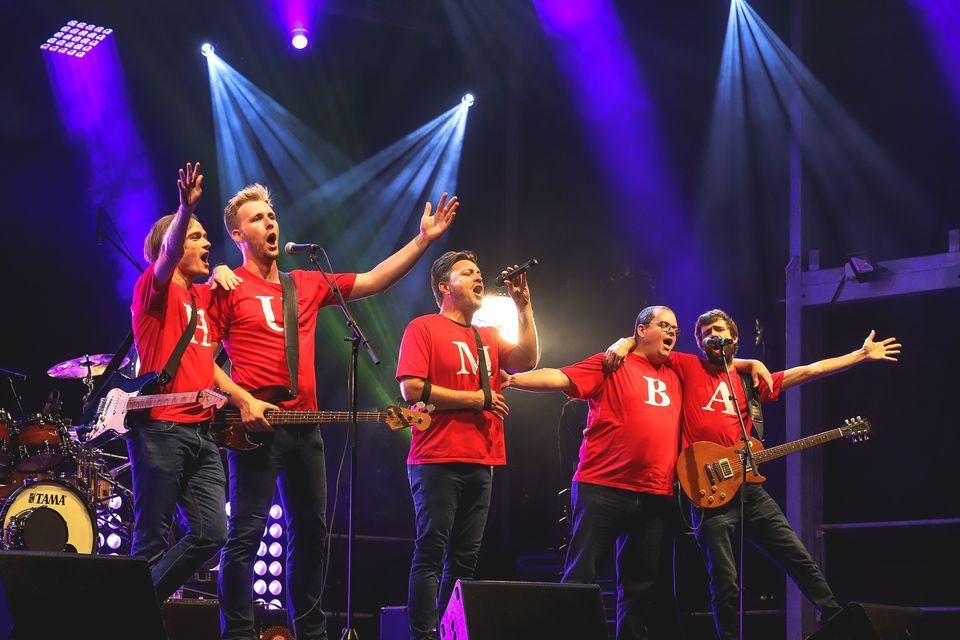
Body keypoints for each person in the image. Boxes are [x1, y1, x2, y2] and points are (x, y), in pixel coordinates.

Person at [214, 184, 459, 640]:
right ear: (237, 233)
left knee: (311, 536)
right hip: (254, 429)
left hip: (305, 429)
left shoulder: (302, 283)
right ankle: (238, 634)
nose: (270, 222)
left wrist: (424, 240)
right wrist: (242, 400)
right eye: (257, 218)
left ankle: (308, 632)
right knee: (245, 537)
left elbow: (373, 279)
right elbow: (200, 360)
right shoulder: (225, 286)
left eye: (272, 214)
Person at [604, 309, 901, 639]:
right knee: (724, 581)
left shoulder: (749, 379)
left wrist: (859, 355)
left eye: (720, 329)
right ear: (700, 342)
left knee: (798, 557)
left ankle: (837, 619)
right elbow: (651, 345)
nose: (713, 335)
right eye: (706, 332)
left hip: (750, 491)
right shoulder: (687, 366)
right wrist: (625, 341)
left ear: (734, 338)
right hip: (708, 494)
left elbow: (809, 371)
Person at [396, 250, 539, 640]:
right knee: (430, 552)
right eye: (468, 272)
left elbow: (526, 358)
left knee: (464, 561)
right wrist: (479, 398)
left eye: (480, 271)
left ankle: (447, 632)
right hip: (436, 457)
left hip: (483, 457)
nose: (479, 277)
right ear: (445, 286)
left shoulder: (487, 336)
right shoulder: (423, 328)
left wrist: (523, 306)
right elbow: (411, 388)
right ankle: (422, 634)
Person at [128, 162, 231, 602]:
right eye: (196, 235)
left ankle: (135, 603)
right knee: (152, 540)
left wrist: (232, 275)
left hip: (203, 434)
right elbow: (167, 255)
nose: (206, 241)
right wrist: (184, 210)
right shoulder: (155, 288)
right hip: (160, 427)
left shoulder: (205, 297)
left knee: (212, 533)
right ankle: (134, 616)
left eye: (206, 235)